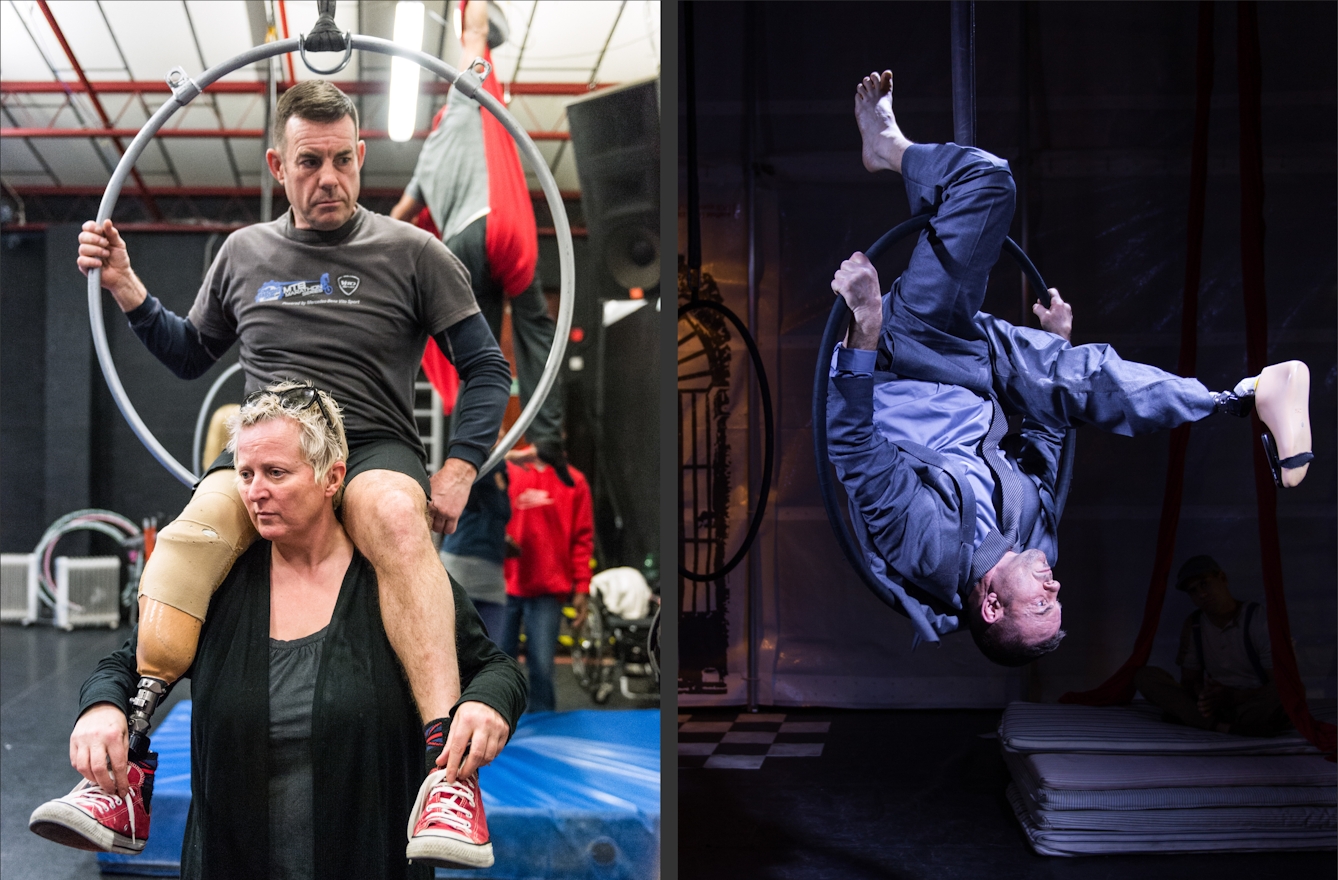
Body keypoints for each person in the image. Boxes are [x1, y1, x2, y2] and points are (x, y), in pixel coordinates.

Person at [73, 79, 514, 851]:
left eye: (343, 160)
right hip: (273, 445)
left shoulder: (415, 253)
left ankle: (447, 783)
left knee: (395, 515)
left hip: (372, 444)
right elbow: (187, 352)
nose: (330, 179)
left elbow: (487, 368)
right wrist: (127, 288)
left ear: (362, 155)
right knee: (193, 530)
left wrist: (461, 468)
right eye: (310, 163)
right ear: (280, 164)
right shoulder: (245, 252)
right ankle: (127, 765)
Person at [826, 70, 1314, 666]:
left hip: (903, 360)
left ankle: (887, 147)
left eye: (1041, 603)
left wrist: (865, 330)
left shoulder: (927, 550)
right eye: (1057, 600)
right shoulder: (1036, 542)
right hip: (983, 375)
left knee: (985, 182)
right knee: (1083, 379)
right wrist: (1053, 347)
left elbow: (852, 449)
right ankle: (1240, 397)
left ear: (991, 607)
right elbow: (1048, 433)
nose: (1055, 587)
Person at [30, 383, 526, 876]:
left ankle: (449, 788)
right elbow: (125, 663)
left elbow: (496, 669)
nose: (255, 491)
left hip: (368, 860)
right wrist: (101, 707)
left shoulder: (395, 583)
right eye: (244, 474)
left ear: (332, 479)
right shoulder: (221, 583)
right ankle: (126, 784)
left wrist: (487, 704)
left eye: (276, 473)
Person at [390, 0, 570, 484]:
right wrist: (472, 11)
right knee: (534, 326)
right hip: (499, 225)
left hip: (460, 252)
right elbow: (474, 33)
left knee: (481, 358)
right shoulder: (468, 98)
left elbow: (398, 218)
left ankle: (471, 452)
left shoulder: (427, 158)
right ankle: (549, 432)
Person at [1134, 555, 1289, 736]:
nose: (1201, 594)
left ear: (1222, 579)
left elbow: (1279, 681)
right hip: (1216, 707)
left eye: (1204, 584)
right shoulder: (1194, 624)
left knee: (1286, 690)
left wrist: (1234, 697)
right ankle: (1222, 727)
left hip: (1252, 702)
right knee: (1145, 676)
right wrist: (1205, 696)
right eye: (1192, 591)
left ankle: (1194, 720)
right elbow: (1190, 681)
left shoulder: (1259, 618)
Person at [502, 446, 594, 713]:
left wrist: (582, 589)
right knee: (497, 665)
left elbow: (582, 539)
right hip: (505, 584)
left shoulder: (574, 481)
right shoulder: (510, 473)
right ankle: (498, 726)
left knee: (541, 667)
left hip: (547, 588)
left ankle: (543, 734)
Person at [440, 459, 511, 639]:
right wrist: (508, 456)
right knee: (457, 644)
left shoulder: (502, 475)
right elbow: (483, 461)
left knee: (494, 647)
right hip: (461, 563)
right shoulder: (469, 469)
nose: (499, 441)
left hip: (492, 567)